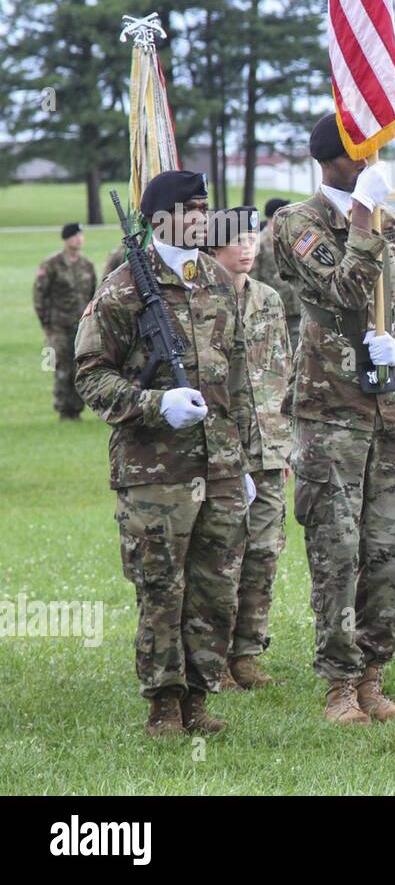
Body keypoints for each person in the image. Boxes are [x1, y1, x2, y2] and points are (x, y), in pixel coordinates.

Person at [74, 169, 255, 737]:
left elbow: (239, 378)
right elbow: (90, 375)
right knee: (161, 589)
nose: (203, 216)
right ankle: (163, 707)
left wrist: (244, 461)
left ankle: (199, 700)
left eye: (206, 206)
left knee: (215, 590)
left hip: (220, 465)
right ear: (159, 219)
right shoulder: (124, 287)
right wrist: (155, 404)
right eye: (191, 208)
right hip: (154, 470)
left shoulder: (218, 282)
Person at [273, 114, 395, 725]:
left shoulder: (392, 222)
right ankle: (338, 685)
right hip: (331, 410)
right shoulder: (298, 222)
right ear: (331, 159)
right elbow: (344, 288)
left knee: (386, 550)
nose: (371, 160)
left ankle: (372, 677)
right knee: (337, 551)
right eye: (360, 150)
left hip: (389, 410)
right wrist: (362, 218)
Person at [206, 206, 291, 689]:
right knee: (222, 555)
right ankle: (212, 658)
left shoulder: (269, 300)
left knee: (263, 552)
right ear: (214, 247)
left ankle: (247, 653)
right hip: (221, 450)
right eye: (237, 240)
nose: (247, 248)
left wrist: (284, 442)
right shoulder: (201, 301)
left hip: (269, 446)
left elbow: (281, 368)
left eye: (253, 239)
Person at [34, 222, 96, 420]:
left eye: (80, 235)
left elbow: (93, 295)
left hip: (81, 326)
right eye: (74, 236)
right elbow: (39, 295)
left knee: (80, 367)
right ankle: (63, 409)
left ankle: (76, 409)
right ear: (66, 239)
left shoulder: (86, 265)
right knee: (61, 366)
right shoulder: (51, 264)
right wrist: (46, 324)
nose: (78, 239)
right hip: (58, 325)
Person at [253, 198, 300, 350]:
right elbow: (253, 277)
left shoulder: (291, 238)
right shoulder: (259, 242)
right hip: (272, 306)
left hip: (296, 305)